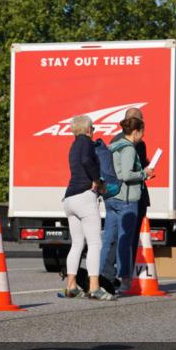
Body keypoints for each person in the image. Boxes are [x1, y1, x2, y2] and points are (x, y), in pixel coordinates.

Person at [100, 116, 155, 295]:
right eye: (142, 132)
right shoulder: (129, 148)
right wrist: (144, 174)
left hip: (111, 198)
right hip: (126, 199)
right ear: (136, 131)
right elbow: (125, 174)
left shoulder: (114, 145)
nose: (142, 136)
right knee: (125, 241)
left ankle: (102, 278)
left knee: (108, 240)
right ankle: (124, 280)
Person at [62, 114, 109, 299]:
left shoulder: (74, 145)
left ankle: (71, 285)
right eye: (93, 128)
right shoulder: (87, 143)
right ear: (89, 129)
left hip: (69, 199)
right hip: (84, 197)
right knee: (95, 243)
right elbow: (87, 161)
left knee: (77, 244)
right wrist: (97, 180)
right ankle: (94, 287)